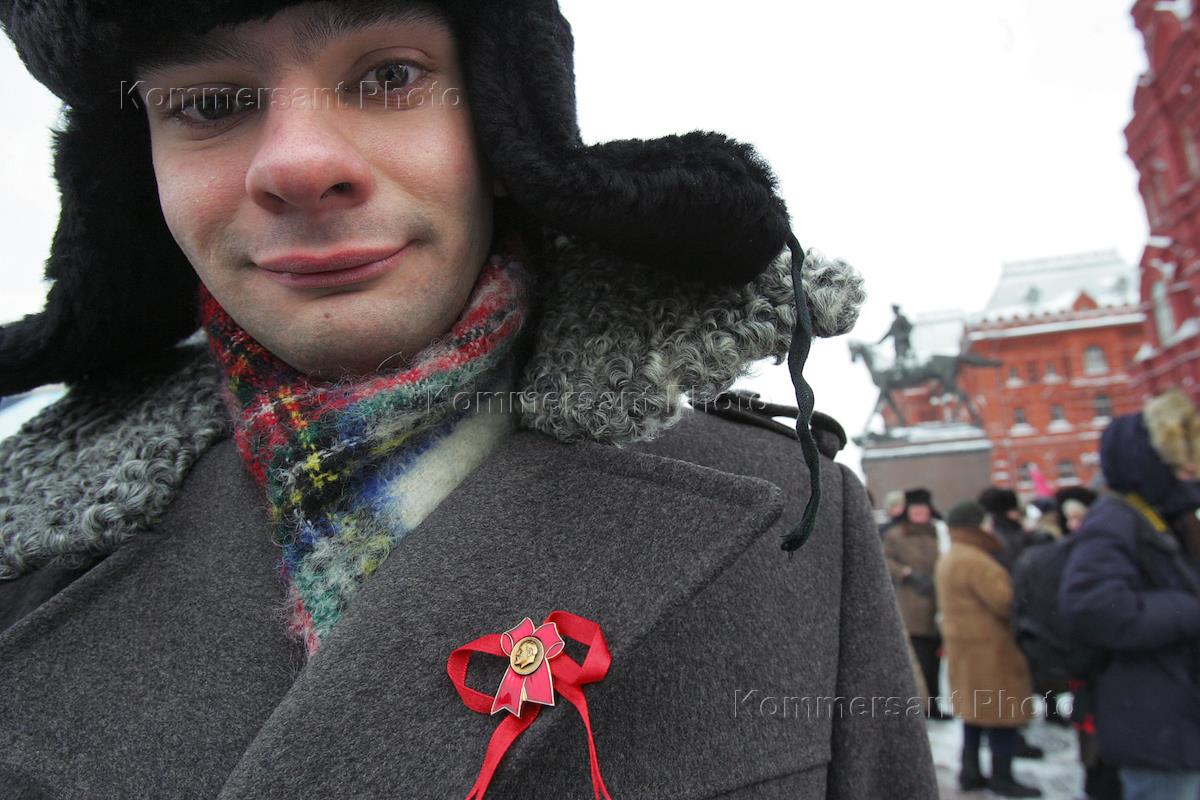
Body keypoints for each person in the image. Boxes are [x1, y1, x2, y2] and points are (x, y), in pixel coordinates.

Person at [0, 2, 937, 798]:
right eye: (210, 104)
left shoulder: (798, 524)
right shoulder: (24, 545)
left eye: (388, 77)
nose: (299, 164)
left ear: (498, 124)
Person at [1061, 389, 1200, 800]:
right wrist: (1187, 608)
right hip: (1156, 726)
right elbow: (1091, 607)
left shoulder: (1158, 516)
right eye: (1179, 462)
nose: (1189, 472)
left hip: (1172, 719)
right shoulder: (1118, 517)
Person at [936, 500, 1042, 797]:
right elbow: (1006, 602)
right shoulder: (977, 560)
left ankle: (970, 772)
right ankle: (1002, 777)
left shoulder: (952, 556)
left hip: (966, 652)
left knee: (974, 715)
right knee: (1002, 717)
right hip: (992, 653)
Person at [883, 487, 948, 719]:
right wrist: (906, 573)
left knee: (936, 659)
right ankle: (921, 706)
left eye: (924, 511)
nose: (920, 515)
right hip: (911, 602)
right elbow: (885, 559)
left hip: (936, 601)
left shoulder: (938, 532)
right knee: (918, 660)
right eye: (916, 511)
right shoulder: (896, 534)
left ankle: (935, 704)